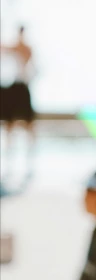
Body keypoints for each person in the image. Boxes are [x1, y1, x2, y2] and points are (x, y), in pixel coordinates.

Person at [0, 25, 36, 178]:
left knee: (28, 126)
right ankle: (9, 163)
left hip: (22, 87)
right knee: (9, 126)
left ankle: (29, 162)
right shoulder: (14, 47)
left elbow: (29, 64)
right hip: (13, 87)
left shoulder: (26, 48)